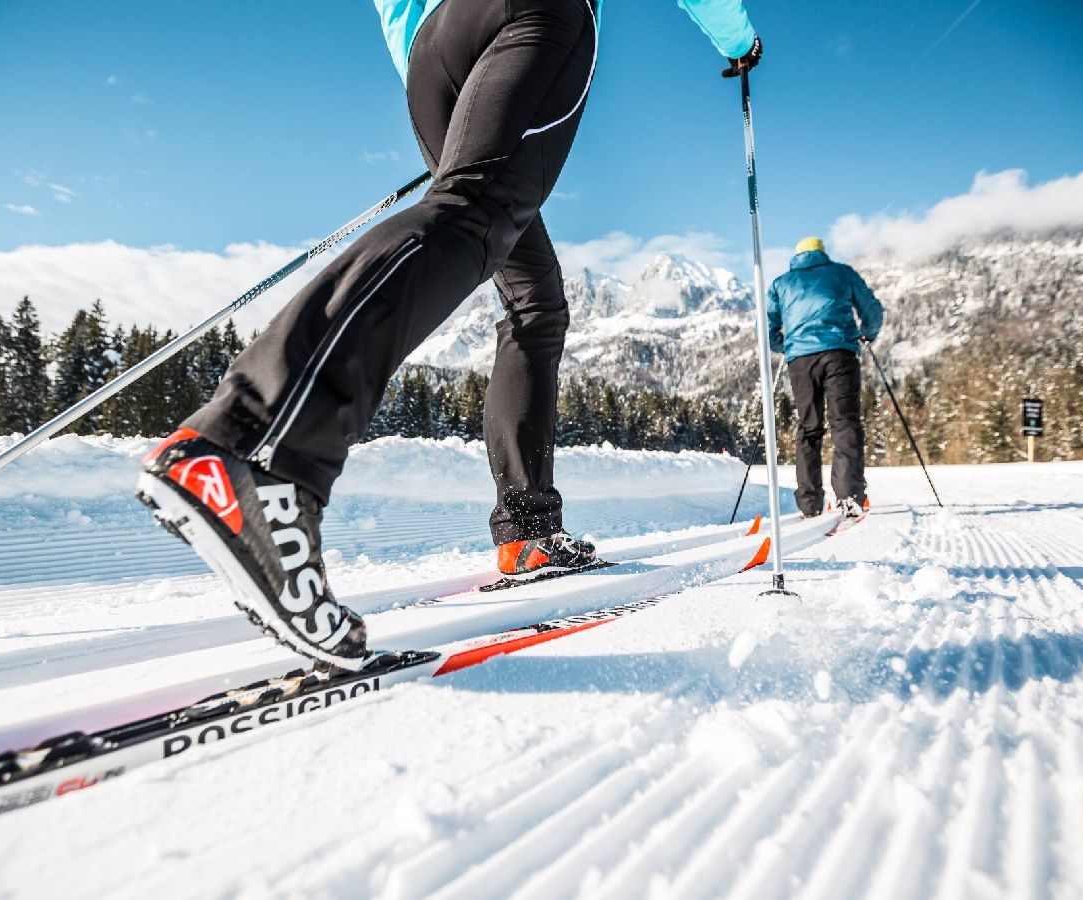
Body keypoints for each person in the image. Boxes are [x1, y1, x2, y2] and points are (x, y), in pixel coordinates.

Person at [136, 0, 764, 673]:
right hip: (530, 16)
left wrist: (433, 65)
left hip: (431, 53)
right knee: (473, 216)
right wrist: (739, 40)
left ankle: (527, 530)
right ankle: (258, 451)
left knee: (535, 301)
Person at [767, 236, 884, 521]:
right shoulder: (842, 273)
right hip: (840, 353)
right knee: (845, 423)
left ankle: (809, 503)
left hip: (800, 360)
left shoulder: (782, 284)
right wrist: (867, 333)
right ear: (822, 253)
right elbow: (871, 308)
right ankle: (849, 497)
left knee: (809, 427)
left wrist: (786, 345)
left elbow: (768, 327)